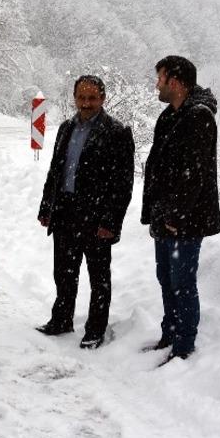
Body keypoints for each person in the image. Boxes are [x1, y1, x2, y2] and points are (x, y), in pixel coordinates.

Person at [37, 75, 135, 349]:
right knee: (64, 272)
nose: (86, 103)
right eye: (81, 97)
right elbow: (55, 171)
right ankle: (62, 319)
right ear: (74, 98)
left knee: (98, 278)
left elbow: (122, 184)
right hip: (65, 211)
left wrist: (111, 222)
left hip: (96, 218)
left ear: (103, 98)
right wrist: (47, 206)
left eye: (92, 98)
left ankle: (95, 329)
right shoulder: (66, 128)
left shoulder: (117, 132)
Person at [141, 55, 220, 364]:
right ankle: (170, 334)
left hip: (186, 220)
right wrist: (155, 211)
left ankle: (184, 346)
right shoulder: (168, 116)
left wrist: (177, 215)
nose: (156, 84)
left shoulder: (199, 116)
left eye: (159, 78)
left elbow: (195, 174)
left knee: (182, 282)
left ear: (174, 81)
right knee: (165, 276)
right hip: (165, 216)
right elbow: (158, 167)